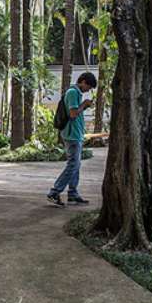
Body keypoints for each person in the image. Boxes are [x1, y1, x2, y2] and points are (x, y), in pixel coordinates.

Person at [47, 72, 98, 207]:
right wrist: (84, 105)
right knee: (73, 164)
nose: (89, 90)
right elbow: (73, 114)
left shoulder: (76, 93)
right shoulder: (73, 93)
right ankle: (54, 192)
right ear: (82, 81)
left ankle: (73, 193)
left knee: (76, 164)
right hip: (71, 135)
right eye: (89, 86)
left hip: (76, 134)